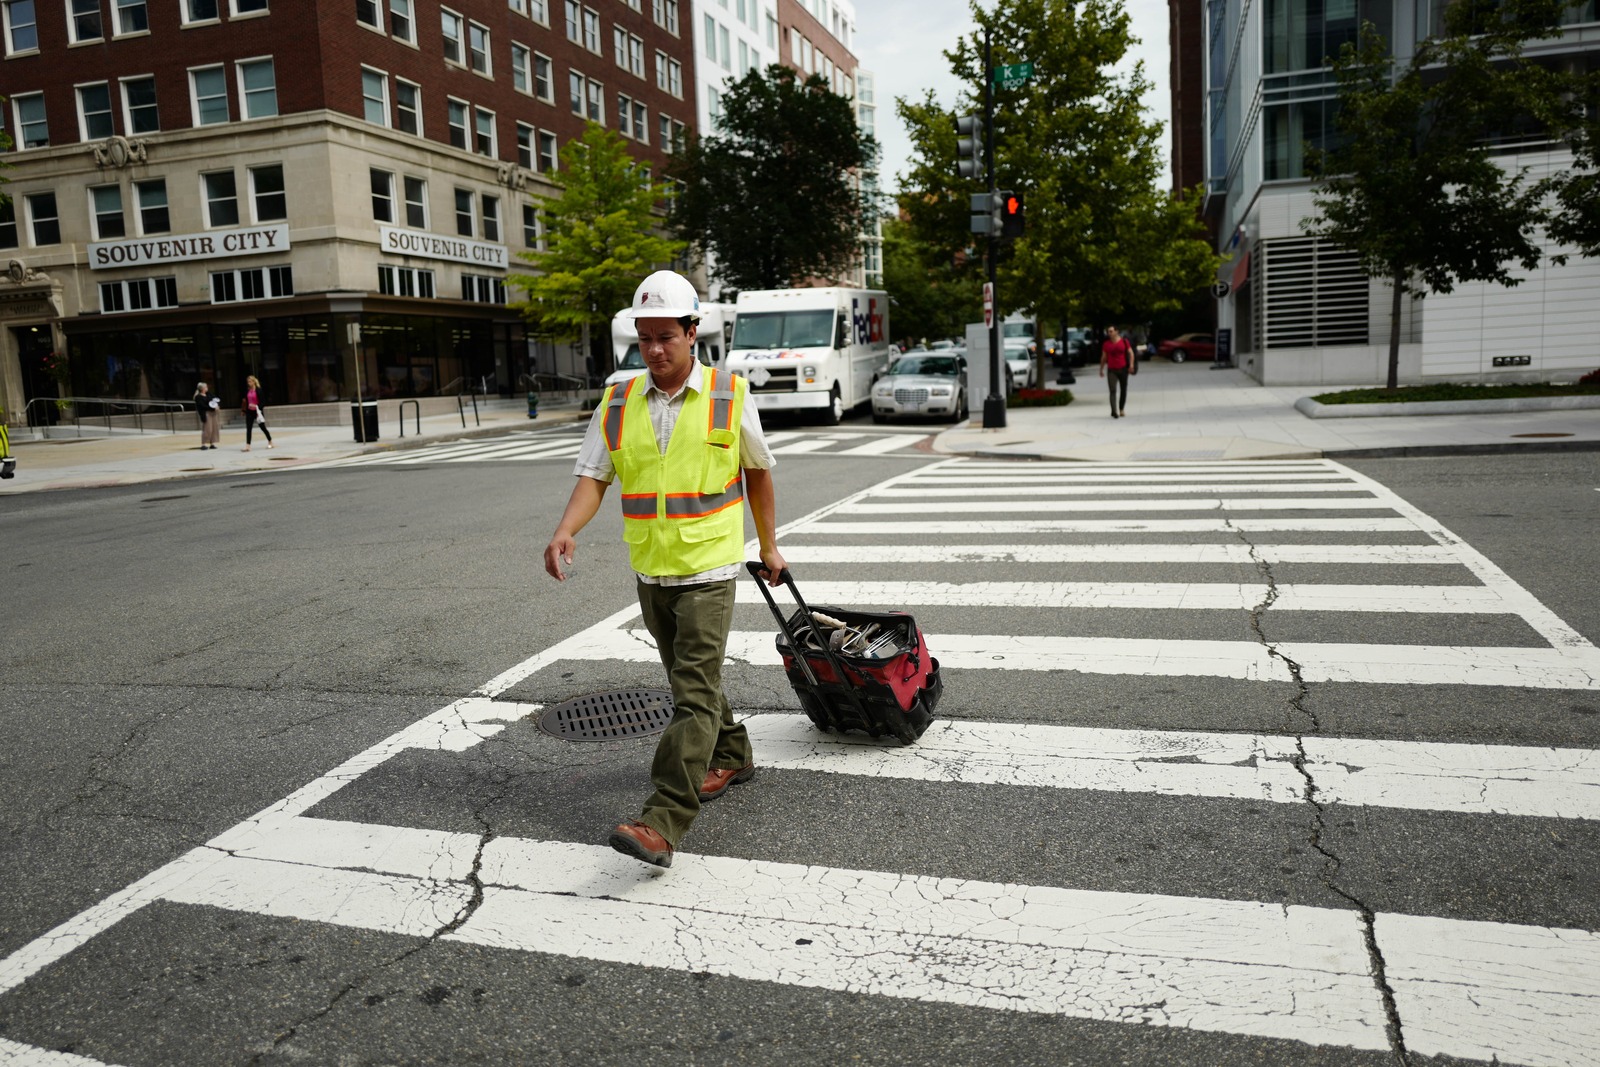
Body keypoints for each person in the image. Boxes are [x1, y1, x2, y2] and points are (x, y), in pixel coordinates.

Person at [544, 269, 787, 870]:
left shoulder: (729, 395)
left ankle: (663, 817)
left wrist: (769, 545)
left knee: (692, 694)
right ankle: (734, 754)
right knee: (690, 682)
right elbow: (595, 475)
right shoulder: (620, 398)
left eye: (666, 337)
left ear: (692, 332)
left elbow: (758, 471)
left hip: (710, 568)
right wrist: (566, 529)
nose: (654, 350)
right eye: (644, 338)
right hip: (652, 570)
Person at [1098, 325, 1135, 418]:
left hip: (1123, 369)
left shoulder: (1124, 342)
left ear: (1116, 331)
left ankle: (1121, 408)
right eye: (1108, 332)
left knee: (1123, 389)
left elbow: (1131, 353)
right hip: (1111, 370)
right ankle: (1114, 411)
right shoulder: (1106, 344)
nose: (1109, 333)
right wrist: (1101, 369)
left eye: (1111, 331)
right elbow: (1104, 357)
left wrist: (1131, 365)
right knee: (1112, 390)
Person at [241, 374, 273, 451]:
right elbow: (245, 401)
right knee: (248, 429)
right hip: (249, 412)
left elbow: (263, 402)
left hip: (257, 411)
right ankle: (248, 446)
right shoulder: (247, 390)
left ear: (254, 382)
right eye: (248, 382)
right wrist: (243, 410)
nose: (249, 383)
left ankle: (270, 441)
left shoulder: (259, 390)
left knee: (263, 427)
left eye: (250, 381)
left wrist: (257, 406)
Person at [193, 382, 221, 450]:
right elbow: (202, 406)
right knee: (207, 429)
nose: (207, 388)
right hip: (206, 413)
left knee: (214, 428)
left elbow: (215, 399)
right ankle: (203, 444)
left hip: (213, 413)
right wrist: (211, 407)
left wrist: (216, 405)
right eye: (205, 387)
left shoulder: (209, 394)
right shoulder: (198, 397)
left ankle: (212, 443)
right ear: (202, 388)